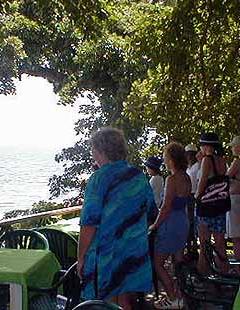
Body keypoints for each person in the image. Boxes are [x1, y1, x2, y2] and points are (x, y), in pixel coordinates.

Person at [78, 127, 157, 310]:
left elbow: (89, 224)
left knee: (107, 303)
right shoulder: (138, 176)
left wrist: (81, 257)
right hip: (133, 249)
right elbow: (151, 211)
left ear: (100, 150)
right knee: (124, 300)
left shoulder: (98, 179)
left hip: (108, 254)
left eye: (93, 150)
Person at [149, 142, 191, 309]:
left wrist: (155, 225)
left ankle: (172, 297)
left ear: (171, 159)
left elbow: (166, 207)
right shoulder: (186, 177)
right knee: (178, 262)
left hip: (170, 224)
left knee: (158, 264)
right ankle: (180, 296)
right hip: (182, 221)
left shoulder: (172, 179)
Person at [194, 133, 229, 275]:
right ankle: (224, 273)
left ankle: (204, 275)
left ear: (206, 145)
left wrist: (196, 196)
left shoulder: (207, 160)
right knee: (220, 244)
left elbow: (202, 182)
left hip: (207, 207)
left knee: (204, 244)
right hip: (220, 205)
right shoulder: (222, 160)